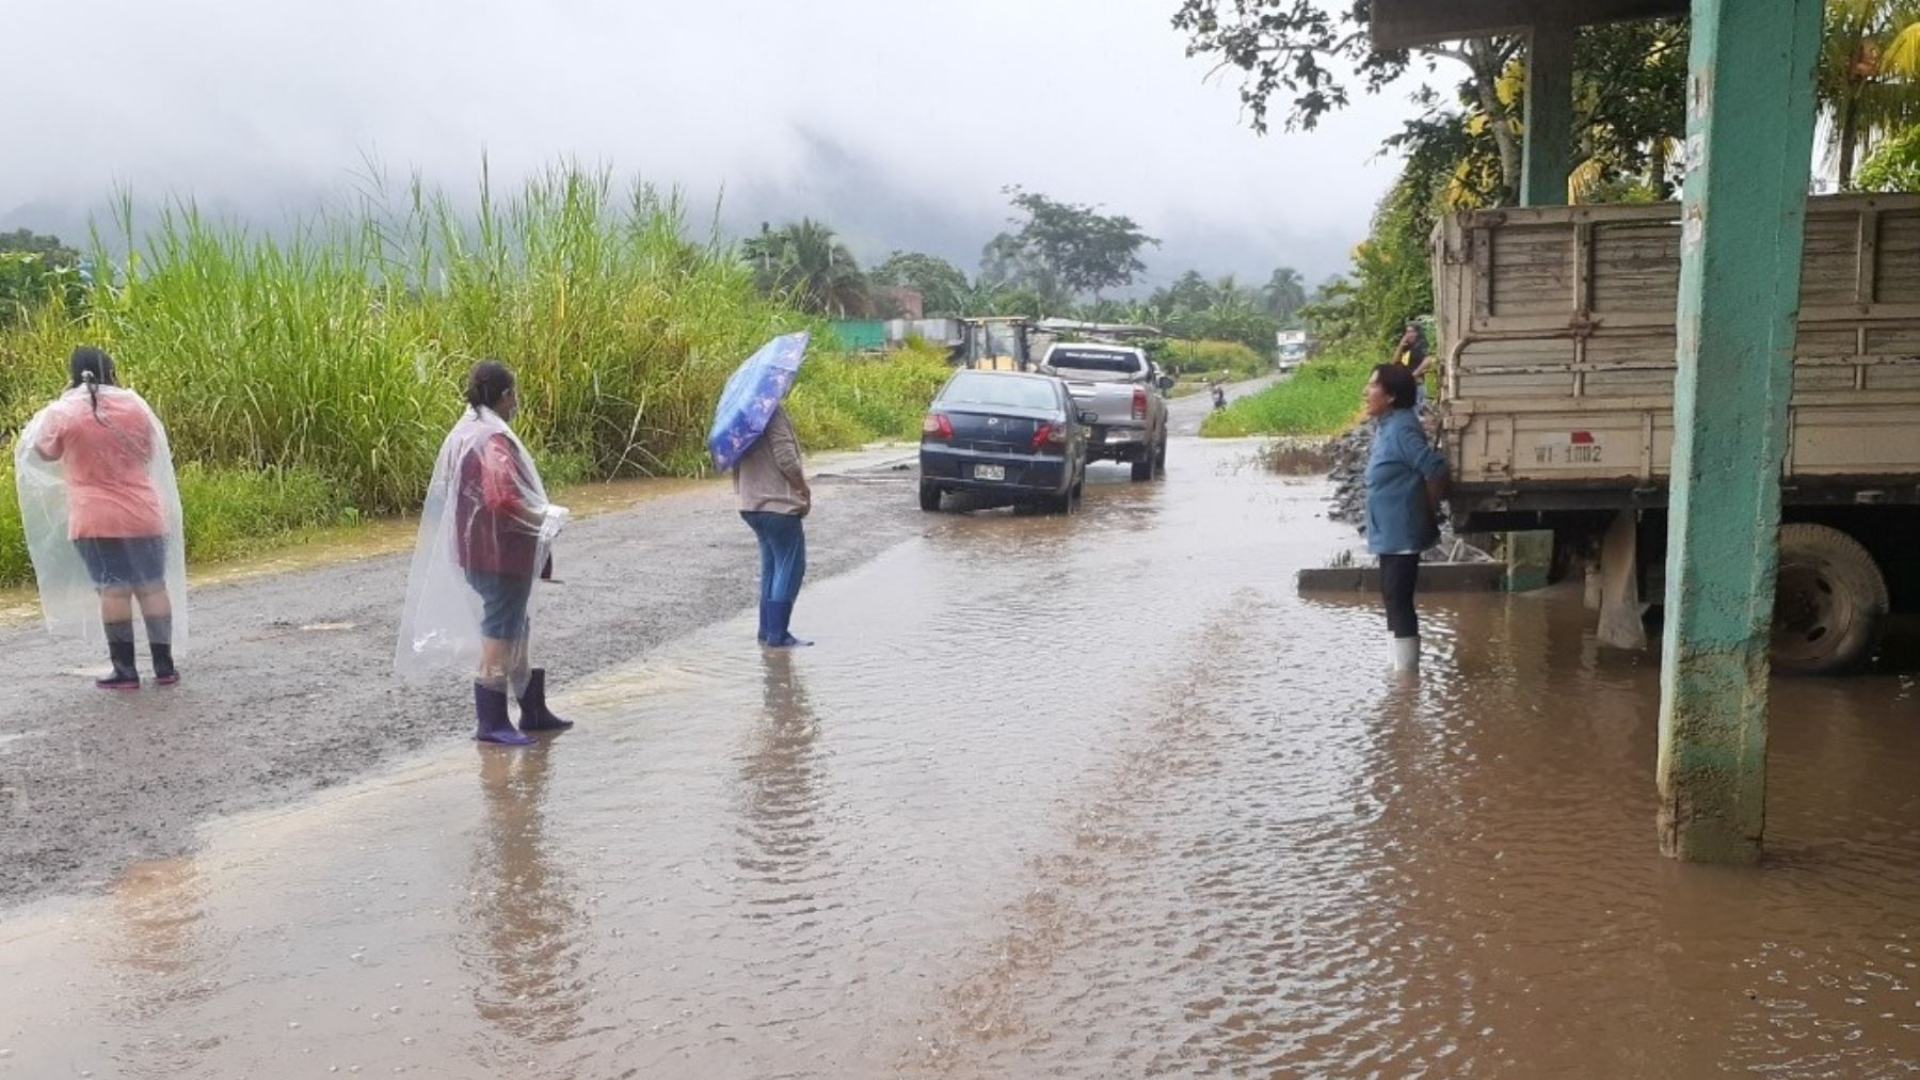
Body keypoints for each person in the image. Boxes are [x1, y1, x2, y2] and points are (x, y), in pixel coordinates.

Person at [395, 360, 572, 745]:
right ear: (506, 396)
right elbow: (502, 497)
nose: (516, 403)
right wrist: (543, 515)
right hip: (500, 553)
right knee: (500, 632)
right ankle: (491, 721)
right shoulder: (493, 438)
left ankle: (532, 709)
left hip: (474, 547)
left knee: (516, 626)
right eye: (515, 396)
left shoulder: (465, 431)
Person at [14, 346, 187, 689]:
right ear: (112, 370)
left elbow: (46, 452)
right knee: (152, 585)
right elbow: (148, 452)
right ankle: (164, 667)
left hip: (95, 516)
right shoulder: (136, 406)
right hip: (144, 512)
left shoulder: (64, 412)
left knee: (114, 588)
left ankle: (125, 671)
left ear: (73, 373)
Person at [1363, 363, 1449, 672]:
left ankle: (1407, 681)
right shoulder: (1389, 424)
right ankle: (1397, 673)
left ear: (1391, 396)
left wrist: (1428, 508)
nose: (1366, 392)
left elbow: (1435, 467)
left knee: (1398, 598)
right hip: (1388, 530)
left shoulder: (1401, 428)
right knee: (1390, 595)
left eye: (1373, 386)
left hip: (1402, 529)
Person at [736, 403, 813, 648]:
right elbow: (786, 458)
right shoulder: (772, 412)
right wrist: (803, 489)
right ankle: (778, 634)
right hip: (777, 505)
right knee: (791, 566)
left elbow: (734, 461)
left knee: (771, 566)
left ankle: (766, 630)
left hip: (751, 504)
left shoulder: (742, 414)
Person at [1396, 321, 1432, 406]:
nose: (1408, 334)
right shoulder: (1407, 347)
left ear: (1417, 333)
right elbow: (1395, 361)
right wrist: (1400, 345)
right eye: (1407, 332)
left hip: (1417, 385)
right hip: (1408, 386)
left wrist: (1414, 374)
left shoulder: (1422, 344)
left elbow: (1428, 360)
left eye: (1411, 332)